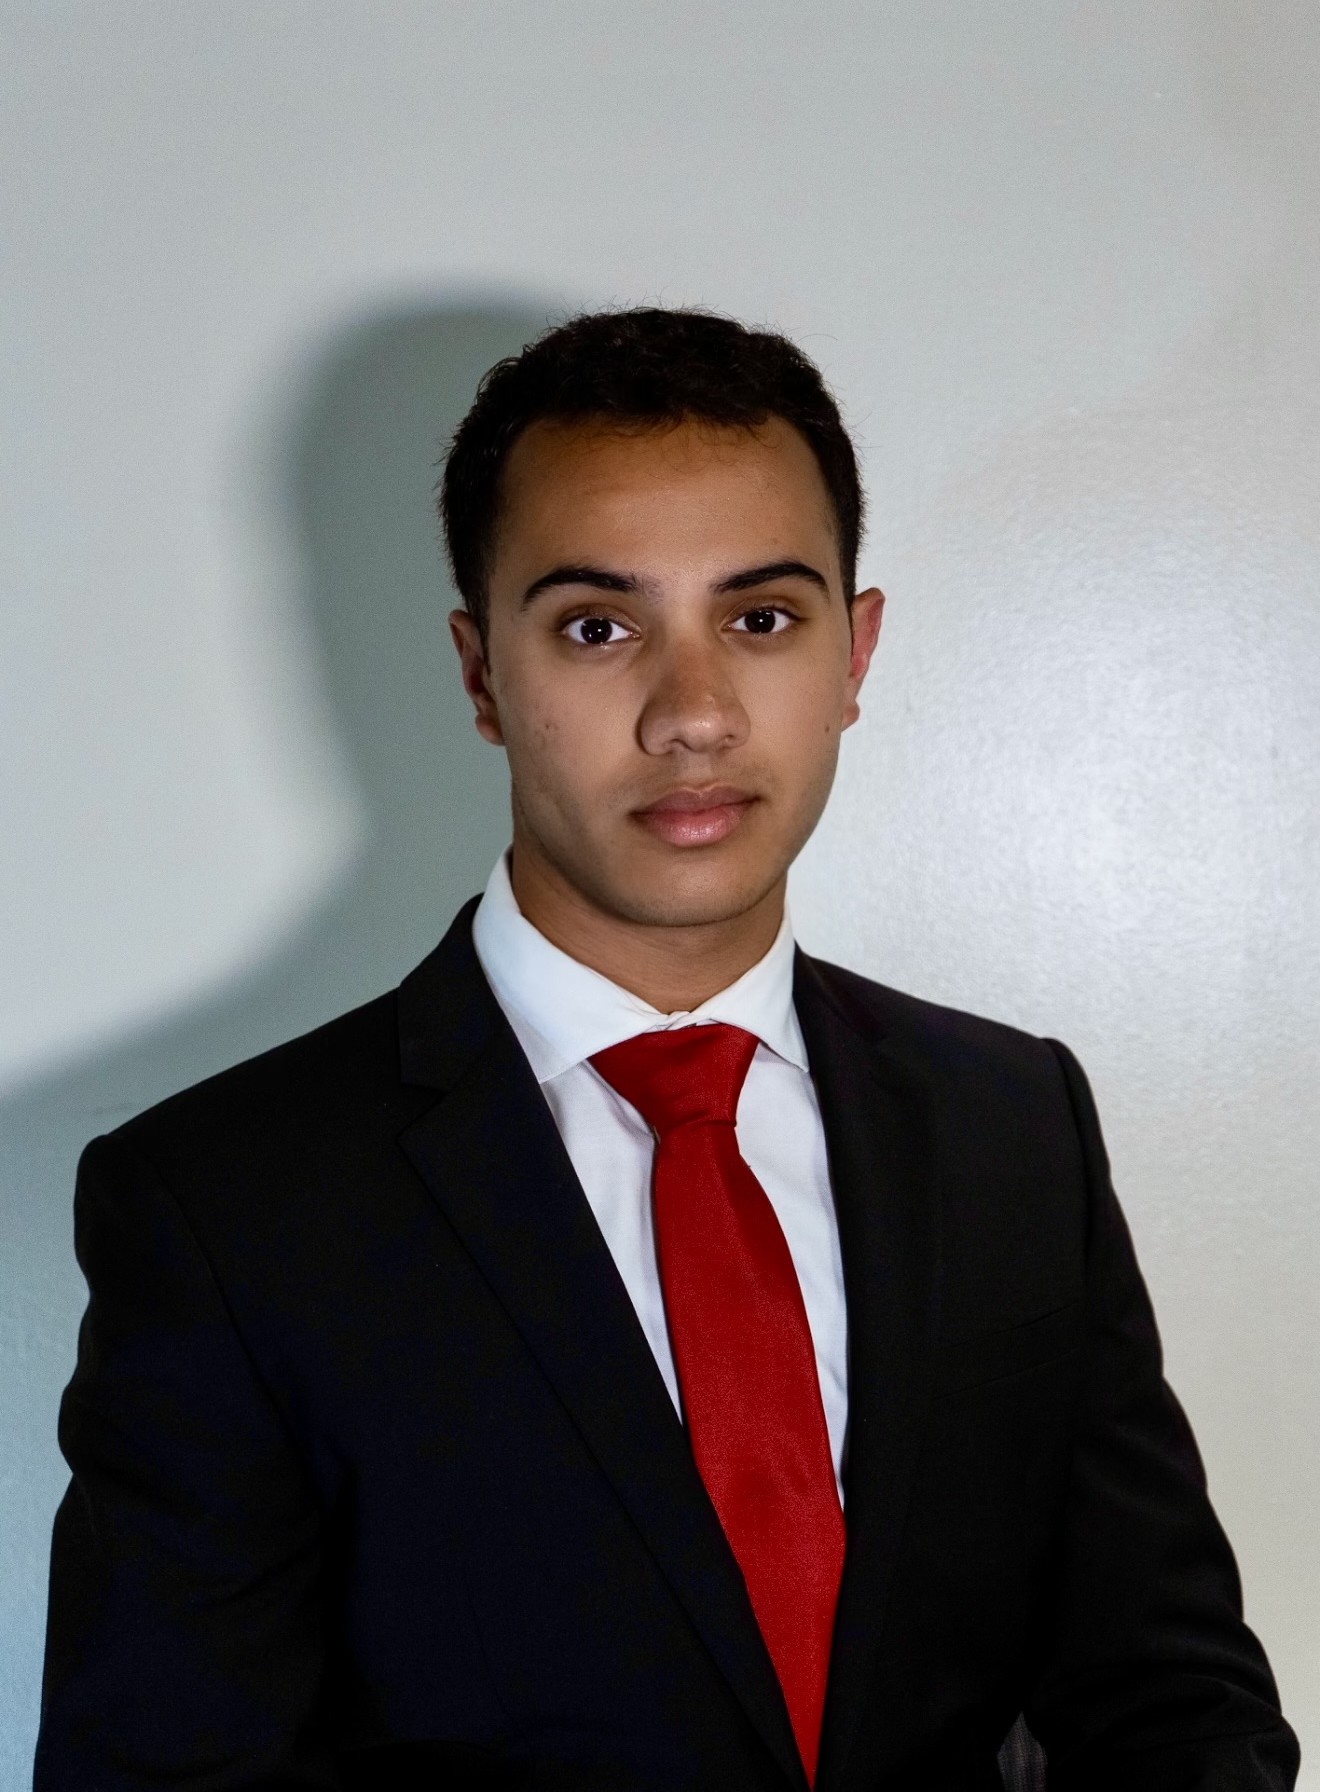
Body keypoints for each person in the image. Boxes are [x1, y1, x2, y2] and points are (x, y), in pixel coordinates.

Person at [35, 308, 1298, 1792]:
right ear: (480, 671)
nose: (693, 715)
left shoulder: (1012, 1123)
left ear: (855, 652)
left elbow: (1170, 1701)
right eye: (597, 627)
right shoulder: (226, 1202)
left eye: (760, 619)